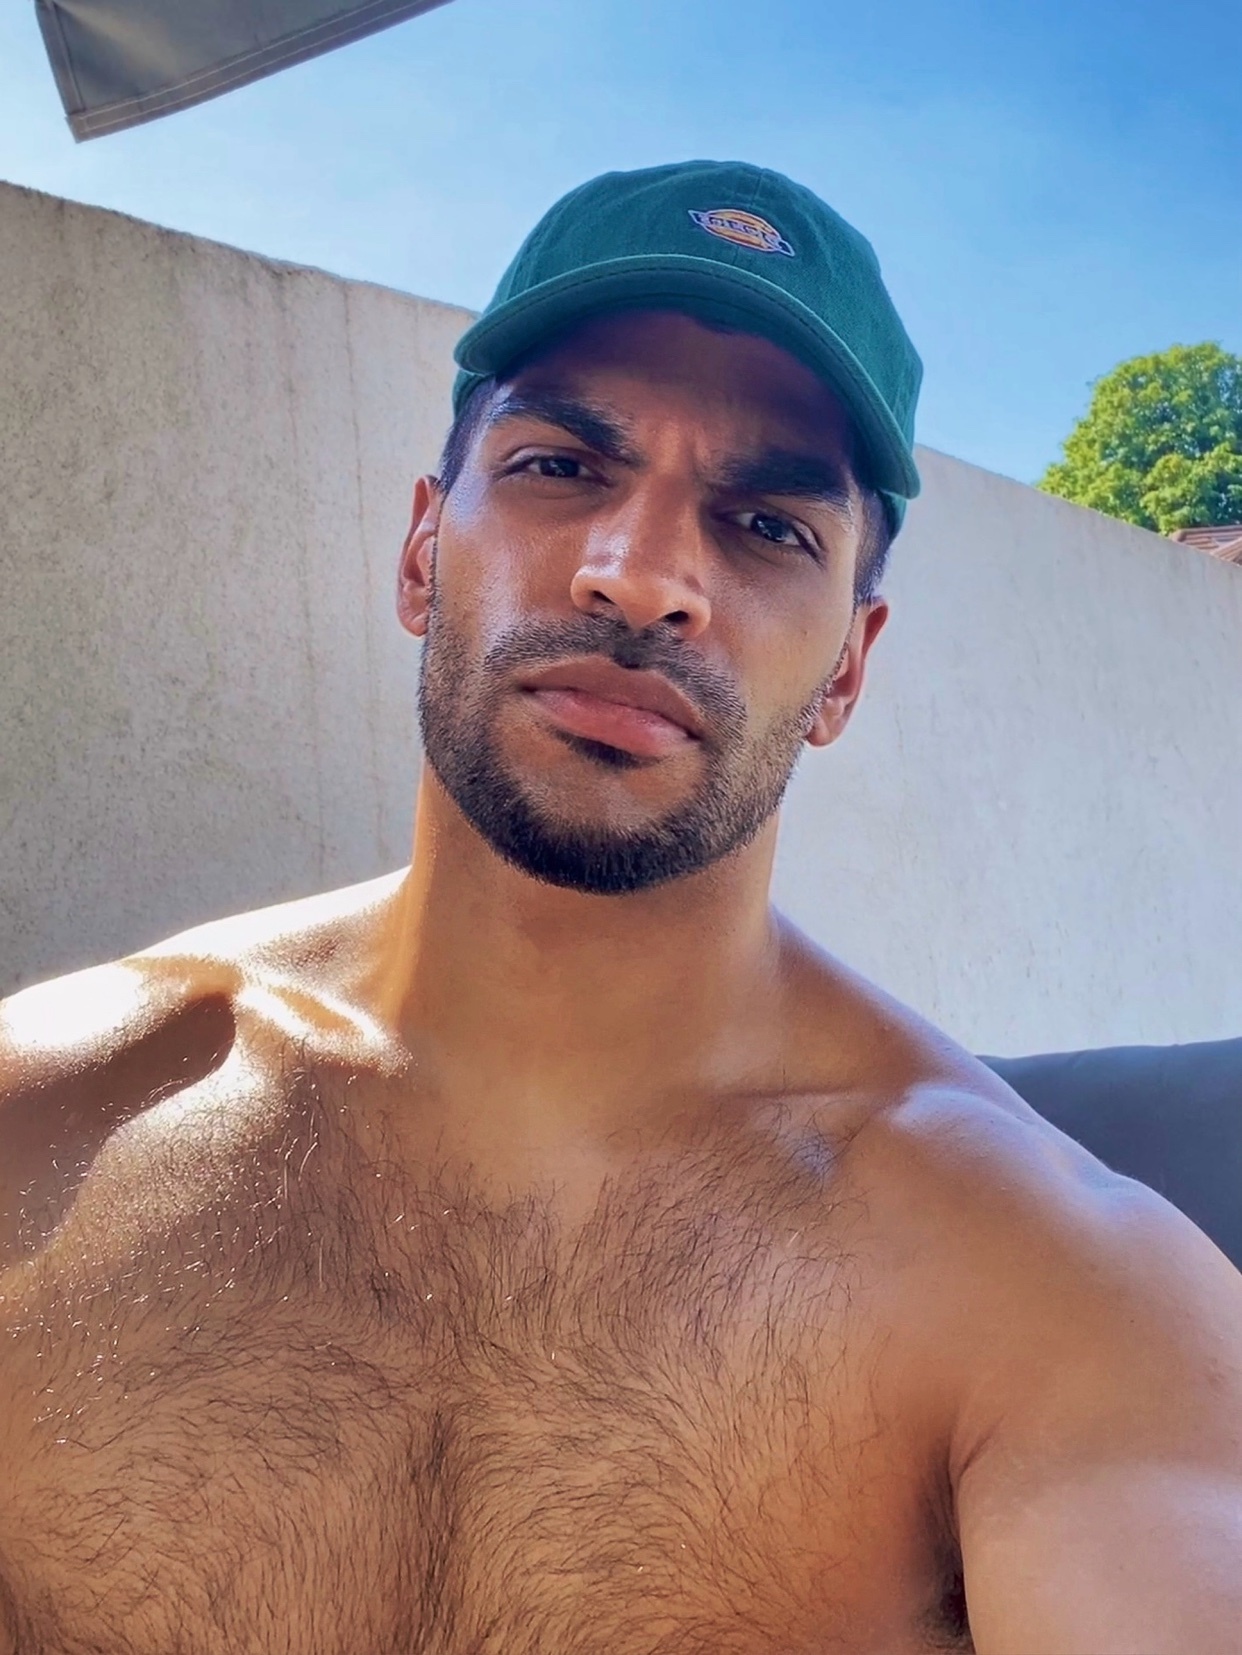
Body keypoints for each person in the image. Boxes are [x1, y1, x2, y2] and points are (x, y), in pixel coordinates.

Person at [0, 159, 1239, 1655]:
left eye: (767, 526)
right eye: (558, 467)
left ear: (846, 670)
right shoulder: (39, 1120)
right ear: (421, 552)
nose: (642, 577)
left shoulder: (1065, 1297)